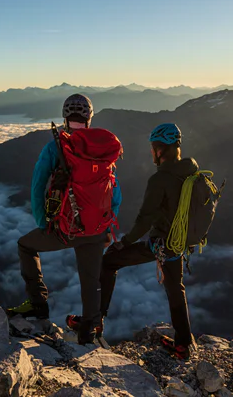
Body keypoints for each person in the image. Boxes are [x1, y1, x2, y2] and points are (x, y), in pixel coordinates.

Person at [67, 122, 198, 359]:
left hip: (161, 244)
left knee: (109, 261)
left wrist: (124, 242)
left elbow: (145, 219)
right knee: (175, 288)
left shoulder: (161, 179)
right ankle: (183, 344)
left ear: (161, 149)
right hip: (179, 243)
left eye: (153, 148)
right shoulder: (191, 171)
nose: (151, 152)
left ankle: (95, 321)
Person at [7, 94, 122, 344]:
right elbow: (115, 193)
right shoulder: (101, 149)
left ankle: (38, 305)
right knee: (90, 281)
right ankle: (88, 331)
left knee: (26, 246)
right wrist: (107, 227)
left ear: (65, 118)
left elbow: (38, 184)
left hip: (66, 229)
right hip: (97, 230)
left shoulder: (56, 146)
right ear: (89, 118)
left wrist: (42, 222)